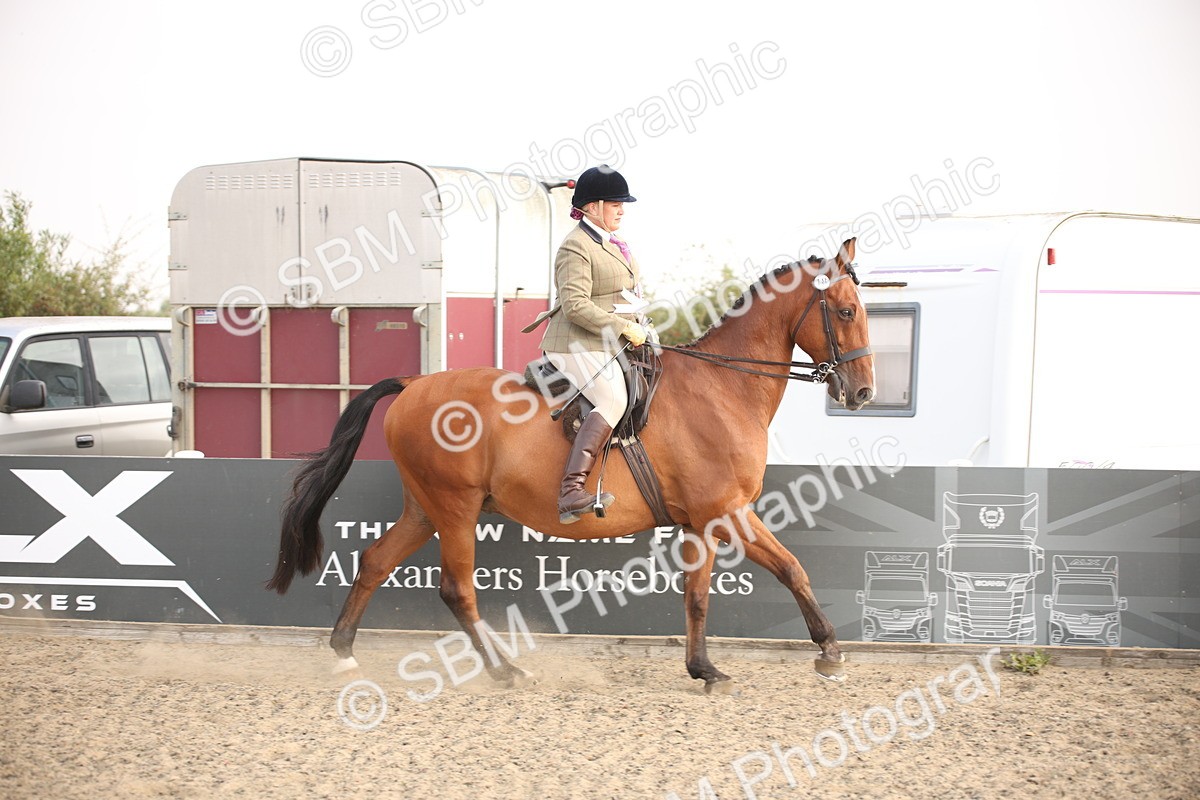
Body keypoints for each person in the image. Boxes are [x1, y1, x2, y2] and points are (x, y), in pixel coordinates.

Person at [523, 165, 650, 523]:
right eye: (615, 203)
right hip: (575, 343)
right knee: (613, 398)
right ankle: (571, 491)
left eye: (623, 204)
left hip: (610, 340)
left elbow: (622, 292)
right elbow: (576, 305)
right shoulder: (575, 246)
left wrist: (640, 320)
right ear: (592, 207)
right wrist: (623, 326)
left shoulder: (614, 243)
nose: (622, 209)